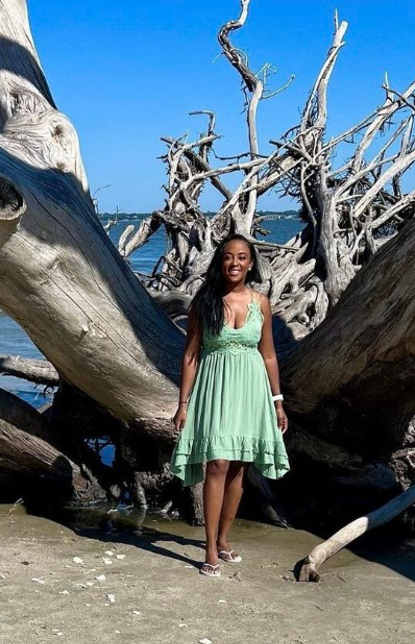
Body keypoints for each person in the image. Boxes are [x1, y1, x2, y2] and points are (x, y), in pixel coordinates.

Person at [169, 233, 290, 578]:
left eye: (241, 257)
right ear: (219, 262)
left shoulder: (261, 302)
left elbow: (268, 355)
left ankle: (223, 538)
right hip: (214, 386)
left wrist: (278, 401)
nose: (234, 263)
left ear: (251, 263)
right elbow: (191, 355)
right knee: (218, 462)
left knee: (240, 465)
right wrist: (183, 403)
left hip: (251, 389)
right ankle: (209, 547)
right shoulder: (204, 301)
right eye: (227, 257)